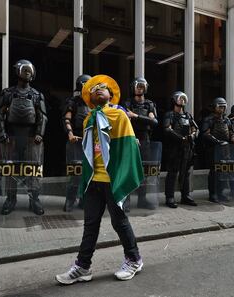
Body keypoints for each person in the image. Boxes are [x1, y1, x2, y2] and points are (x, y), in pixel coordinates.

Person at [55, 74, 144, 285]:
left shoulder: (119, 116)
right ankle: (83, 267)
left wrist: (122, 178)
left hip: (113, 179)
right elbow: (88, 154)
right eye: (93, 88)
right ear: (89, 97)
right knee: (90, 224)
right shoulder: (88, 119)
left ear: (111, 95)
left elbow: (129, 149)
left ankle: (134, 259)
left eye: (102, 88)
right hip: (94, 180)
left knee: (119, 222)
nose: (97, 89)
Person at [0, 59, 47, 215]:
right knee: (11, 169)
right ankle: (11, 199)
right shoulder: (8, 93)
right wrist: (1, 133)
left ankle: (34, 199)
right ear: (17, 71)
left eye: (30, 70)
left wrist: (39, 133)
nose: (28, 72)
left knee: (33, 169)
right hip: (11, 136)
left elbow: (42, 116)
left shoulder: (37, 95)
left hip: (32, 137)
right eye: (25, 69)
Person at [124, 77, 158, 211]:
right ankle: (126, 200)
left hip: (145, 138)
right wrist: (146, 119)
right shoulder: (127, 102)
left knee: (143, 171)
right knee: (128, 169)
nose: (140, 88)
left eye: (142, 86)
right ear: (133, 87)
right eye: (138, 86)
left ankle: (142, 200)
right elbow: (125, 120)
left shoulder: (149, 104)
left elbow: (154, 122)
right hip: (130, 137)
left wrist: (136, 116)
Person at [163, 91, 199, 208]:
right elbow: (167, 129)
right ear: (174, 100)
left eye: (184, 98)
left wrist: (192, 136)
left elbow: (195, 128)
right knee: (172, 173)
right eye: (180, 98)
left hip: (187, 147)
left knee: (186, 172)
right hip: (174, 147)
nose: (182, 100)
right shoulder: (170, 115)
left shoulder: (188, 115)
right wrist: (180, 138)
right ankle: (170, 197)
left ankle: (186, 196)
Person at [201, 97, 234, 203]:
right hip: (213, 149)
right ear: (215, 107)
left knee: (223, 172)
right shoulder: (209, 119)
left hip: (226, 149)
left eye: (224, 107)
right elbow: (205, 133)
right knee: (214, 172)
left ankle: (221, 192)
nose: (222, 109)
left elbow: (231, 132)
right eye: (220, 107)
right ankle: (212, 194)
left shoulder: (227, 120)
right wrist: (218, 142)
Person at [62, 74, 92, 212]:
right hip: (76, 141)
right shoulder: (73, 102)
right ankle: (70, 199)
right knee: (75, 173)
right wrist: (70, 133)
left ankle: (84, 200)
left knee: (89, 173)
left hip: (91, 141)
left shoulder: (94, 103)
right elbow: (67, 119)